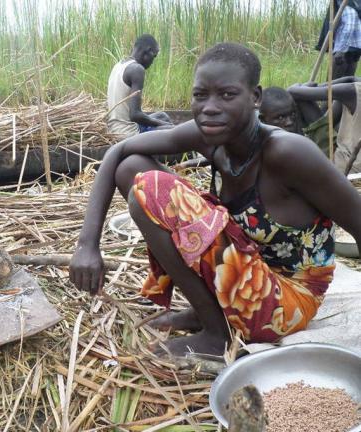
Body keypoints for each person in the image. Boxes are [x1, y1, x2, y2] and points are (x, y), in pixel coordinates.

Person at [69, 43, 361, 356]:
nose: (210, 107)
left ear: (255, 97)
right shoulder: (209, 136)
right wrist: (87, 245)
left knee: (152, 189)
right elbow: (119, 151)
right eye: (200, 95)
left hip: (287, 300)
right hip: (246, 271)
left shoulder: (287, 152)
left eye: (227, 95)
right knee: (132, 168)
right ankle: (209, 312)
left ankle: (216, 334)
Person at [288, 76, 361, 173]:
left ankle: (299, 154)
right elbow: (351, 79)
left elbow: (292, 91)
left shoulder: (350, 91)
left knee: (301, 99)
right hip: (353, 159)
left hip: (346, 167)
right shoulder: (350, 90)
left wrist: (306, 86)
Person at [106, 34, 172, 140]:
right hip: (127, 133)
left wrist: (160, 122)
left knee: (162, 116)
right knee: (172, 130)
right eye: (154, 56)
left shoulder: (118, 66)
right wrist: (162, 124)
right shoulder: (137, 69)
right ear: (148, 51)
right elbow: (135, 115)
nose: (152, 62)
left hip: (113, 129)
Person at [258, 86, 335, 154]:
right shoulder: (260, 147)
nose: (289, 122)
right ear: (262, 119)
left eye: (293, 114)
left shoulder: (295, 136)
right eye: (280, 118)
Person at [315, 0, 361, 79]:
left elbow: (350, 25)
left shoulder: (347, 3)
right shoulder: (357, 3)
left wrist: (341, 50)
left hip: (343, 53)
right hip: (354, 51)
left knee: (333, 84)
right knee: (346, 83)